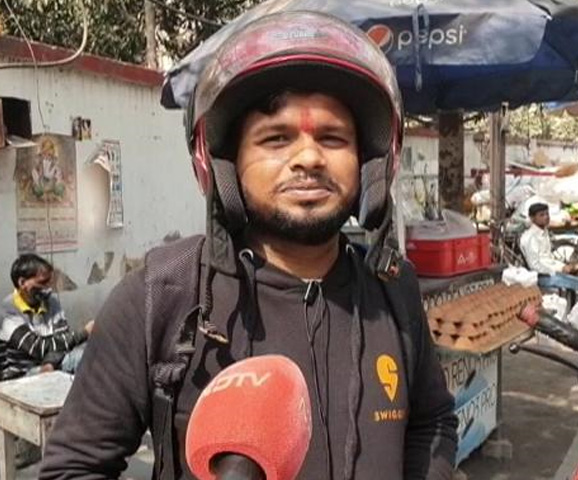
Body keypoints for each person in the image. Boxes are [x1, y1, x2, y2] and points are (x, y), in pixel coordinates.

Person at [40, 11, 458, 480]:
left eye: (332, 138)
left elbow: (433, 422)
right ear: (226, 163)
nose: (309, 158)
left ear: (369, 162)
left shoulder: (393, 290)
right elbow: (72, 469)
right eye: (276, 138)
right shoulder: (161, 296)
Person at [0, 254, 93, 381]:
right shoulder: (7, 311)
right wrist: (84, 333)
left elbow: (62, 339)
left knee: (89, 355)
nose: (48, 288)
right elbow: (38, 347)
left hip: (51, 364)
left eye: (49, 282)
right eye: (42, 283)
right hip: (22, 374)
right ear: (22, 283)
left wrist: (50, 363)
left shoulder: (51, 302)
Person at [520, 203, 578, 293]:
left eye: (547, 214)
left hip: (551, 271)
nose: (546, 217)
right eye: (541, 215)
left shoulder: (544, 232)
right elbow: (535, 266)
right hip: (542, 276)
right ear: (532, 218)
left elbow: (548, 258)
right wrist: (559, 269)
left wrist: (563, 266)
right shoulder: (530, 238)